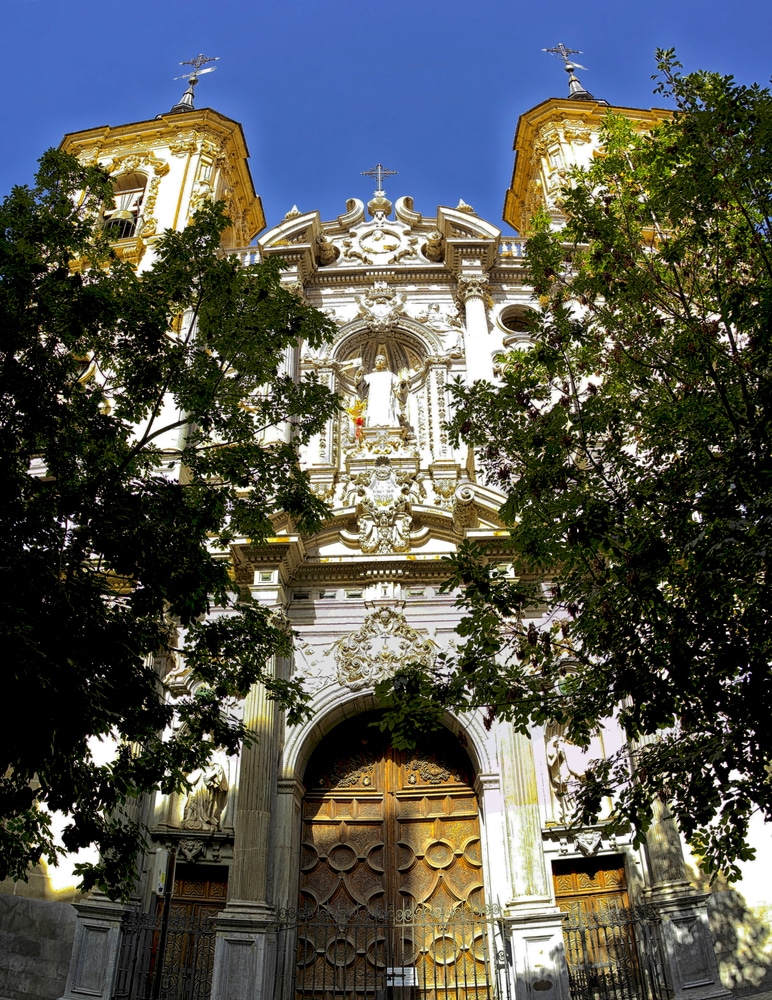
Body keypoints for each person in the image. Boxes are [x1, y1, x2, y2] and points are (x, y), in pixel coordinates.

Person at [360, 355, 403, 426]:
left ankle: (388, 424)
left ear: (385, 363)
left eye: (382, 359)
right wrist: (359, 373)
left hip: (387, 400)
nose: (379, 361)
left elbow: (399, 388)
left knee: (387, 412)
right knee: (374, 412)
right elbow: (361, 385)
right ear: (375, 363)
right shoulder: (370, 376)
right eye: (378, 359)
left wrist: (403, 384)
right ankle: (373, 425)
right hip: (374, 401)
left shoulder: (391, 375)